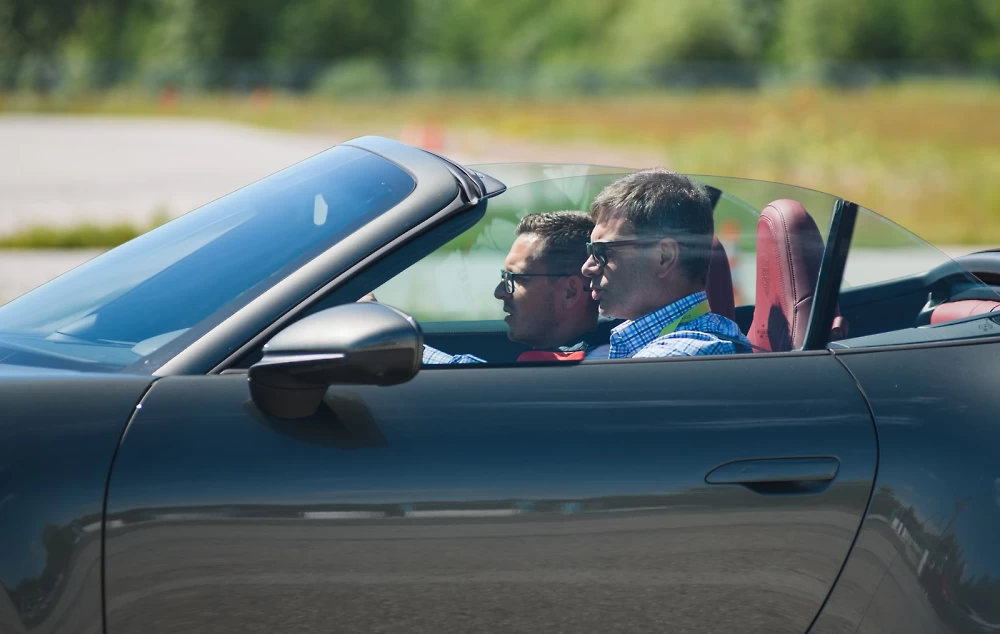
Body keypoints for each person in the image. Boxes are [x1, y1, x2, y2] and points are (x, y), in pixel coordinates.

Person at [581, 168, 751, 358]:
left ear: (664, 257)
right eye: (590, 251)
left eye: (602, 251)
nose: (587, 268)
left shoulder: (679, 355)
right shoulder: (673, 347)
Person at [423, 211, 602, 364]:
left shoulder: (585, 368)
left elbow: (486, 387)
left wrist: (408, 351)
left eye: (518, 278)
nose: (500, 292)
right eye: (504, 277)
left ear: (570, 292)